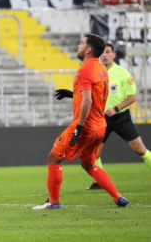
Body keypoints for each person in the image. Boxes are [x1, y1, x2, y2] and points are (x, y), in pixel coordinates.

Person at [33, 34, 128, 210]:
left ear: (89, 50)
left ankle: (53, 202)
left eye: (82, 43)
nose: (79, 45)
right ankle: (117, 197)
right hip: (100, 126)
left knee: (53, 158)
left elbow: (88, 101)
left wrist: (79, 128)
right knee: (88, 164)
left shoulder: (85, 69)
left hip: (86, 126)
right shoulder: (100, 68)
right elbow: (95, 94)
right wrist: (73, 93)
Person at [59, 43, 151, 190]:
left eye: (108, 52)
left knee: (140, 149)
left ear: (114, 55)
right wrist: (71, 94)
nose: (105, 55)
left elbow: (132, 97)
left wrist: (115, 108)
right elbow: (88, 93)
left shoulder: (123, 73)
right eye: (103, 52)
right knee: (94, 154)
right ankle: (99, 182)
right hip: (100, 118)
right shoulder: (96, 71)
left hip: (120, 117)